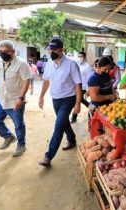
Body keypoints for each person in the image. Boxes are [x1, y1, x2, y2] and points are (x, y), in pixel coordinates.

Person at [38, 37, 82, 167]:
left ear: (61, 49)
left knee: (58, 126)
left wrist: (78, 104)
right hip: (55, 99)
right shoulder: (49, 65)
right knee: (63, 122)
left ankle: (48, 156)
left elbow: (78, 85)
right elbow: (46, 81)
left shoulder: (71, 64)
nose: (51, 51)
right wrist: (41, 97)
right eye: (50, 49)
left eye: (54, 49)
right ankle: (72, 139)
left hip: (68, 99)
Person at [0, 40, 31, 157]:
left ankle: (21, 144)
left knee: (18, 124)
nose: (2, 54)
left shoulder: (22, 64)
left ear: (13, 51)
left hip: (15, 100)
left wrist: (21, 98)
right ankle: (8, 136)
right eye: (0, 52)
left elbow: (26, 81)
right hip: (1, 99)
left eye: (5, 52)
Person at [70, 51, 91, 123]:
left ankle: (74, 117)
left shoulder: (87, 67)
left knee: (78, 100)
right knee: (79, 100)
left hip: (83, 87)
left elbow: (89, 78)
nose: (79, 58)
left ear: (84, 57)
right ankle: (91, 107)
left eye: (81, 57)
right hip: (75, 86)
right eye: (78, 56)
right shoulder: (75, 65)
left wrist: (88, 89)